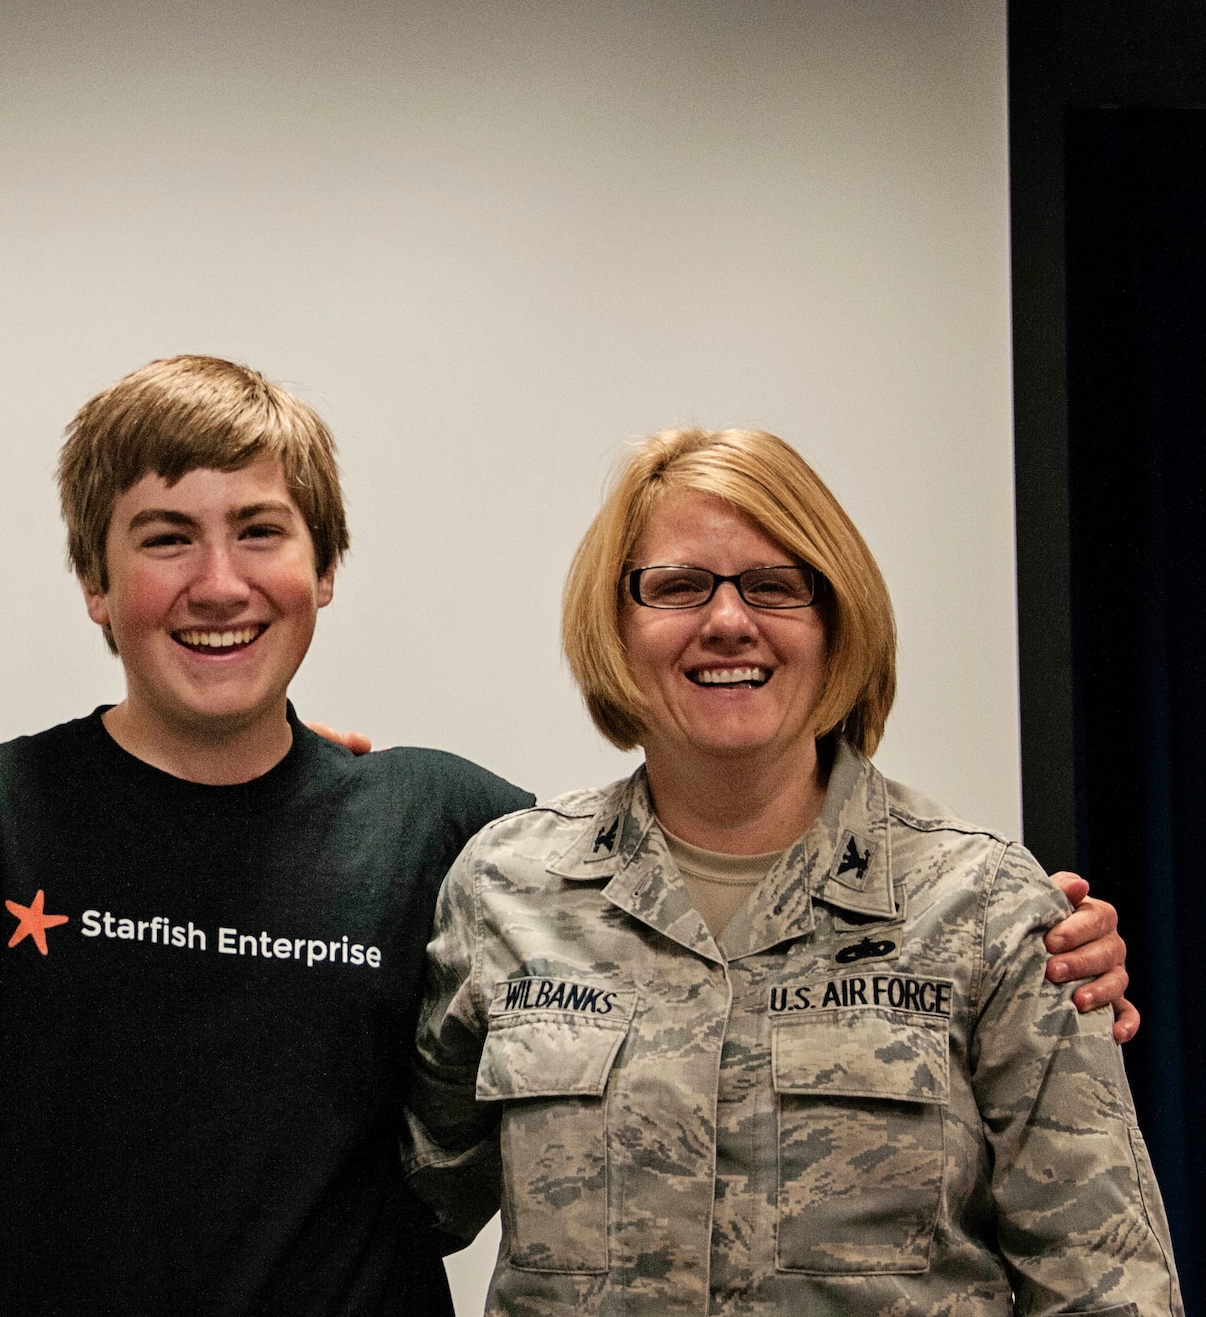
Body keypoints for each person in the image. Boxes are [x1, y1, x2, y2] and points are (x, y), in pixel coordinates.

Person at [0, 362, 1130, 1317]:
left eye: (261, 532)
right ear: (97, 585)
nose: (218, 582)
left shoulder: (456, 836)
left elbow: (1105, 1274)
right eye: (166, 542)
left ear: (322, 568)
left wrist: (1064, 948)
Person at [405, 428, 1180, 1315]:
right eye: (679, 587)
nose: (729, 621)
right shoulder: (505, 888)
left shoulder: (986, 906)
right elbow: (393, 1206)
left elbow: (1106, 1285)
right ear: (614, 624)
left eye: (776, 586)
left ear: (836, 617)